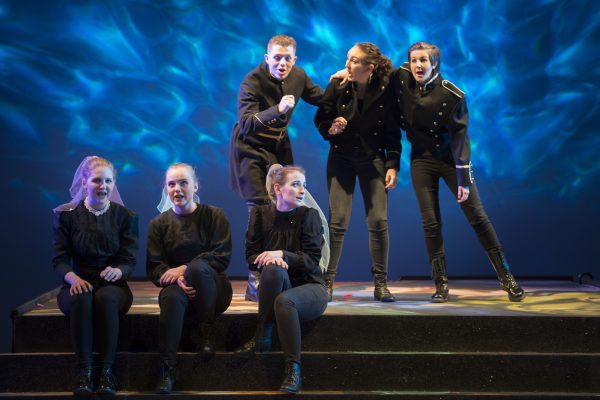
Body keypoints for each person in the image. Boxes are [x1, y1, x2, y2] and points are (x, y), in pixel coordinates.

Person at [392, 41, 525, 302]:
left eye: (424, 60)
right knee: (430, 223)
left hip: (451, 160)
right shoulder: (401, 76)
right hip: (421, 159)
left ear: (434, 63)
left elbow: (460, 139)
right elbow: (376, 67)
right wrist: (344, 73)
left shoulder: (452, 95)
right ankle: (440, 284)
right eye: (415, 60)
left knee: (477, 216)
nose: (418, 65)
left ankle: (506, 277)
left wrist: (463, 178)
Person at [228, 34, 323, 302]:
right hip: (250, 148)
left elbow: (322, 99)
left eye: (287, 59)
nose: (282, 63)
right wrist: (276, 109)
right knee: (258, 209)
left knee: (283, 208)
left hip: (278, 148)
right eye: (277, 58)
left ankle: (281, 272)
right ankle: (255, 278)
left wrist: (345, 82)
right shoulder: (252, 81)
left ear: (295, 59)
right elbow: (245, 123)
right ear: (267, 58)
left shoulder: (300, 76)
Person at [314, 42, 401, 302]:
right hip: (341, 157)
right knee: (337, 223)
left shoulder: (387, 88)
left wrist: (392, 164)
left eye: (354, 60)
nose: (347, 65)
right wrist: (331, 129)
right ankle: (327, 281)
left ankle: (381, 283)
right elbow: (321, 118)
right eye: (348, 59)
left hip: (372, 159)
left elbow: (392, 131)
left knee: (378, 222)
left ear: (370, 67)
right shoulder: (338, 85)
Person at [235, 164, 328, 393]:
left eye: (303, 185)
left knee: (285, 301)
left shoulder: (309, 216)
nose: (302, 190)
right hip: (277, 282)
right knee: (273, 269)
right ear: (278, 188)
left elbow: (311, 261)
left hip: (310, 287)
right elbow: (250, 256)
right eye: (295, 184)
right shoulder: (260, 215)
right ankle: (263, 335)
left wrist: (282, 254)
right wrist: (272, 259)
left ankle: (293, 368)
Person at [53, 156, 138, 396]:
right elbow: (59, 260)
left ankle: (107, 373)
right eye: (97, 180)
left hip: (114, 285)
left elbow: (129, 260)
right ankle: (85, 373)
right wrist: (73, 278)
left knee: (106, 299)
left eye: (108, 181)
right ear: (84, 182)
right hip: (77, 282)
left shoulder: (126, 216)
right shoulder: (66, 216)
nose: (103, 186)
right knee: (82, 297)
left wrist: (119, 270)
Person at [147, 163, 233, 394]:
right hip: (180, 290)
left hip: (213, 290)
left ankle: (207, 332)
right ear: (166, 189)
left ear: (195, 186)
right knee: (172, 299)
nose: (177, 188)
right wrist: (177, 279)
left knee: (197, 268)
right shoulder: (158, 224)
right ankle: (167, 368)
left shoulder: (215, 215)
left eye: (183, 182)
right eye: (171, 184)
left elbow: (221, 256)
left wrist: (184, 269)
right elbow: (155, 268)